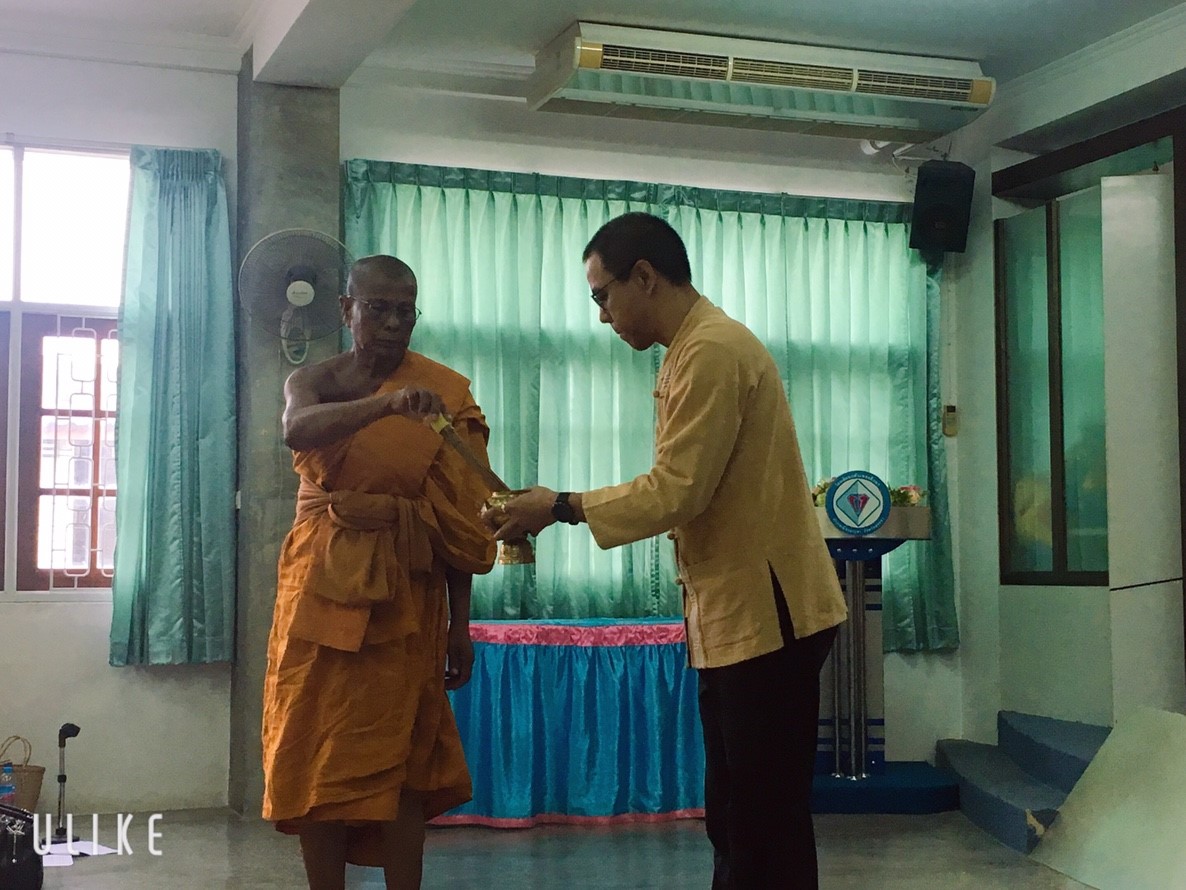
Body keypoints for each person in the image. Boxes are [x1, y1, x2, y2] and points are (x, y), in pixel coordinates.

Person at [486, 213, 848, 890]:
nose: (602, 315)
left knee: (760, 821)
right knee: (738, 814)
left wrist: (560, 506)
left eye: (602, 296)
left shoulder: (711, 349)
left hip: (767, 617)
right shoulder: (689, 349)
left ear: (645, 277)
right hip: (737, 615)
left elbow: (677, 490)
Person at [261, 255, 496, 890]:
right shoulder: (315, 379)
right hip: (319, 592)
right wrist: (386, 406)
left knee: (404, 759)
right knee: (313, 745)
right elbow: (296, 429)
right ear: (347, 310)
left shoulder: (444, 393)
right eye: (378, 309)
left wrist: (461, 626)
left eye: (406, 311)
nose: (394, 323)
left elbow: (460, 519)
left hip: (407, 597)